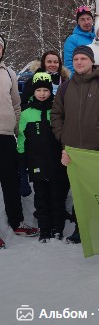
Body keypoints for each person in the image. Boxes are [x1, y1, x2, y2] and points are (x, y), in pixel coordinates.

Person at [51, 45, 99, 243]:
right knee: (79, 192)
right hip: (74, 152)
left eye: (83, 59)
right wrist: (62, 135)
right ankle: (80, 228)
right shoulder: (66, 86)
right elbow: (56, 114)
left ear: (91, 61)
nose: (79, 62)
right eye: (76, 59)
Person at [17, 72, 68, 242]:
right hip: (36, 163)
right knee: (41, 198)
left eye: (45, 90)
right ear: (33, 92)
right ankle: (45, 229)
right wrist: (22, 162)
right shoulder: (26, 113)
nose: (42, 93)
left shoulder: (56, 111)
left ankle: (57, 229)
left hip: (56, 163)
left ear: (50, 91)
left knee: (57, 196)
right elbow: (22, 140)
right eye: (38, 90)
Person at [0, 33, 39, 242]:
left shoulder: (9, 73)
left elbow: (16, 105)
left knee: (11, 182)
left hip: (6, 136)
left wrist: (18, 133)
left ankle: (16, 223)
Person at [63, 5, 95, 74]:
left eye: (88, 18)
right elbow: (69, 65)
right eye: (82, 19)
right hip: (82, 81)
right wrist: (78, 81)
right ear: (78, 22)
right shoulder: (72, 40)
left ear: (92, 20)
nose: (86, 22)